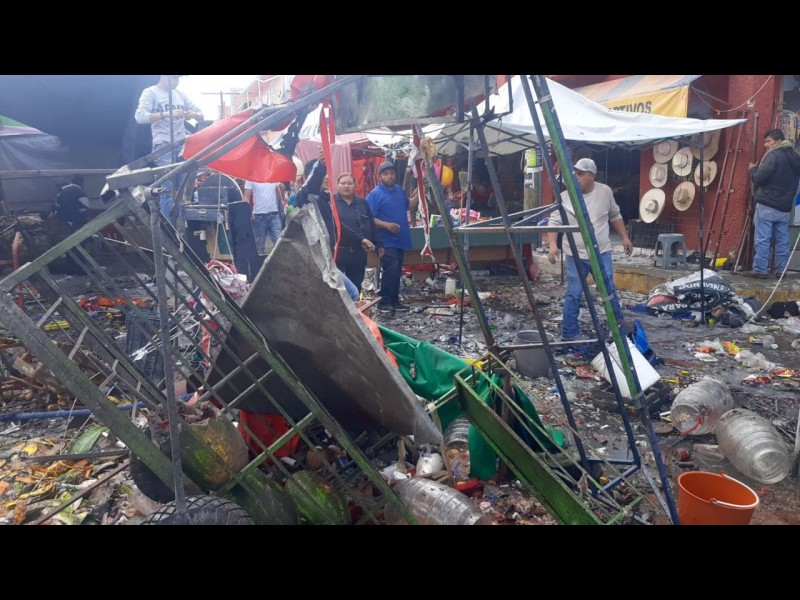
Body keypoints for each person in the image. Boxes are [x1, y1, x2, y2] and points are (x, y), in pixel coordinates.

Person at [546, 158, 633, 341]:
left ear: (592, 176)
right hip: (575, 254)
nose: (576, 178)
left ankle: (616, 328)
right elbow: (554, 221)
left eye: (580, 174)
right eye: (574, 174)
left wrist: (624, 237)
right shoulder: (565, 196)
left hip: (601, 251)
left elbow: (615, 215)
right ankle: (569, 333)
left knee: (608, 290)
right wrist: (553, 245)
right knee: (574, 293)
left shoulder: (605, 192)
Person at [134, 75, 204, 219]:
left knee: (182, 192)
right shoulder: (151, 92)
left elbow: (201, 114)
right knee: (169, 192)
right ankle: (170, 228)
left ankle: (179, 227)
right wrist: (167, 114)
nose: (177, 82)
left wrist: (193, 114)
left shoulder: (179, 94)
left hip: (181, 144)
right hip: (164, 146)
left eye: (178, 79)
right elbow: (140, 116)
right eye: (174, 78)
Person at [744, 128, 800, 278]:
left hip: (768, 204)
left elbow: (759, 178)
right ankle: (781, 270)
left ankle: (760, 269)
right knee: (783, 240)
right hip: (785, 207)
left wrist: (752, 170)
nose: (765, 145)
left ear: (778, 141)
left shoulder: (773, 155)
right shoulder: (795, 157)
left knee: (763, 239)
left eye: (768, 141)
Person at [367, 161, 418, 313]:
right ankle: (384, 302)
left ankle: (394, 301)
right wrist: (386, 225)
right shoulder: (375, 194)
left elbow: (409, 205)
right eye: (386, 174)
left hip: (400, 238)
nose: (389, 176)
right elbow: (369, 218)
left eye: (392, 173)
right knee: (391, 268)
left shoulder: (399, 190)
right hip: (385, 240)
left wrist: (420, 193)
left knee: (397, 270)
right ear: (380, 176)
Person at [332, 172, 382, 292]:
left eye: (350, 183)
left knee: (356, 287)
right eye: (343, 183)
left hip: (358, 252)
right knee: (339, 289)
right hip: (339, 252)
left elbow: (371, 224)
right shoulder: (332, 202)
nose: (346, 186)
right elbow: (337, 226)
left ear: (355, 185)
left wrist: (379, 244)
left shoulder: (362, 202)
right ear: (337, 186)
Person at [244, 180, 285, 255]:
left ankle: (278, 261)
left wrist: (278, 203)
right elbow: (246, 197)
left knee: (279, 243)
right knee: (259, 247)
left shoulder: (272, 175)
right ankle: (260, 262)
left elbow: (278, 191)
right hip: (258, 216)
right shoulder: (250, 178)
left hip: (274, 214)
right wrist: (249, 211)